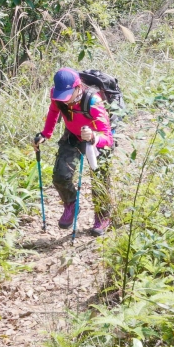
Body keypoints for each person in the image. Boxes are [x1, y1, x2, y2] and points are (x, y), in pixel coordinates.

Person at [37, 68, 113, 233]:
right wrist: (45, 134)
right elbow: (54, 111)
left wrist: (93, 137)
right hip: (72, 135)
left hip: (96, 139)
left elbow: (108, 138)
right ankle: (71, 204)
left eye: (67, 96)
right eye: (61, 96)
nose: (64, 101)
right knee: (60, 176)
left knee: (99, 180)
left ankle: (102, 217)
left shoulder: (93, 101)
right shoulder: (57, 95)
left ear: (78, 88)